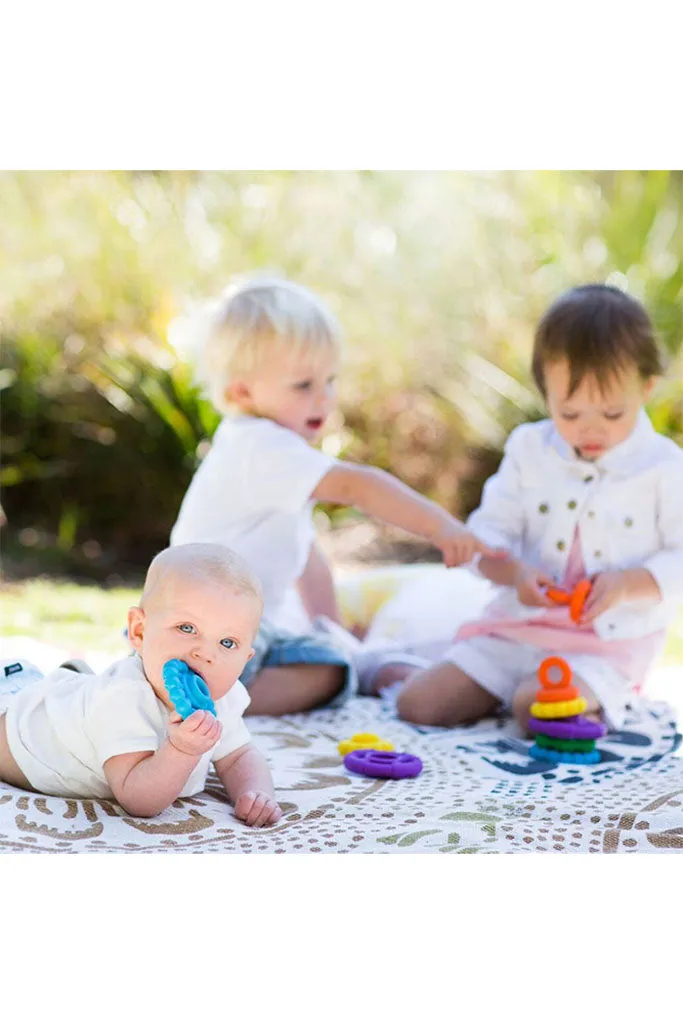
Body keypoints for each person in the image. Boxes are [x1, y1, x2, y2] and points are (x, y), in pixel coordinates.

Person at [170, 276, 502, 715]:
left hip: (218, 629)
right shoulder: (262, 448)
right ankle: (203, 702)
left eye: (330, 380)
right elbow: (357, 485)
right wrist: (440, 526)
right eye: (303, 386)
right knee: (330, 671)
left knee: (332, 652)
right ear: (242, 392)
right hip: (206, 634)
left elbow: (307, 558)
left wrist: (333, 629)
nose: (324, 399)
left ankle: (192, 688)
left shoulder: (264, 453)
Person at [395, 283, 683, 732]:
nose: (591, 430)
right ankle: (502, 688)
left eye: (611, 414)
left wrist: (628, 584)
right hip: (518, 628)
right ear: (545, 392)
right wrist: (515, 574)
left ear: (646, 388)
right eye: (569, 414)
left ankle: (589, 697)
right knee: (420, 704)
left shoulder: (663, 466)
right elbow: (490, 533)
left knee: (536, 704)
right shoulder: (529, 449)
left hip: (606, 643)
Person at [0, 543, 282, 826]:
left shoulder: (224, 698)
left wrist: (255, 792)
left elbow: (238, 755)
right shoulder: (124, 698)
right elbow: (138, 799)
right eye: (187, 628)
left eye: (227, 642)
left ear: (245, 659)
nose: (206, 653)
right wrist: (181, 751)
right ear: (139, 631)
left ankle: (72, 679)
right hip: (18, 730)